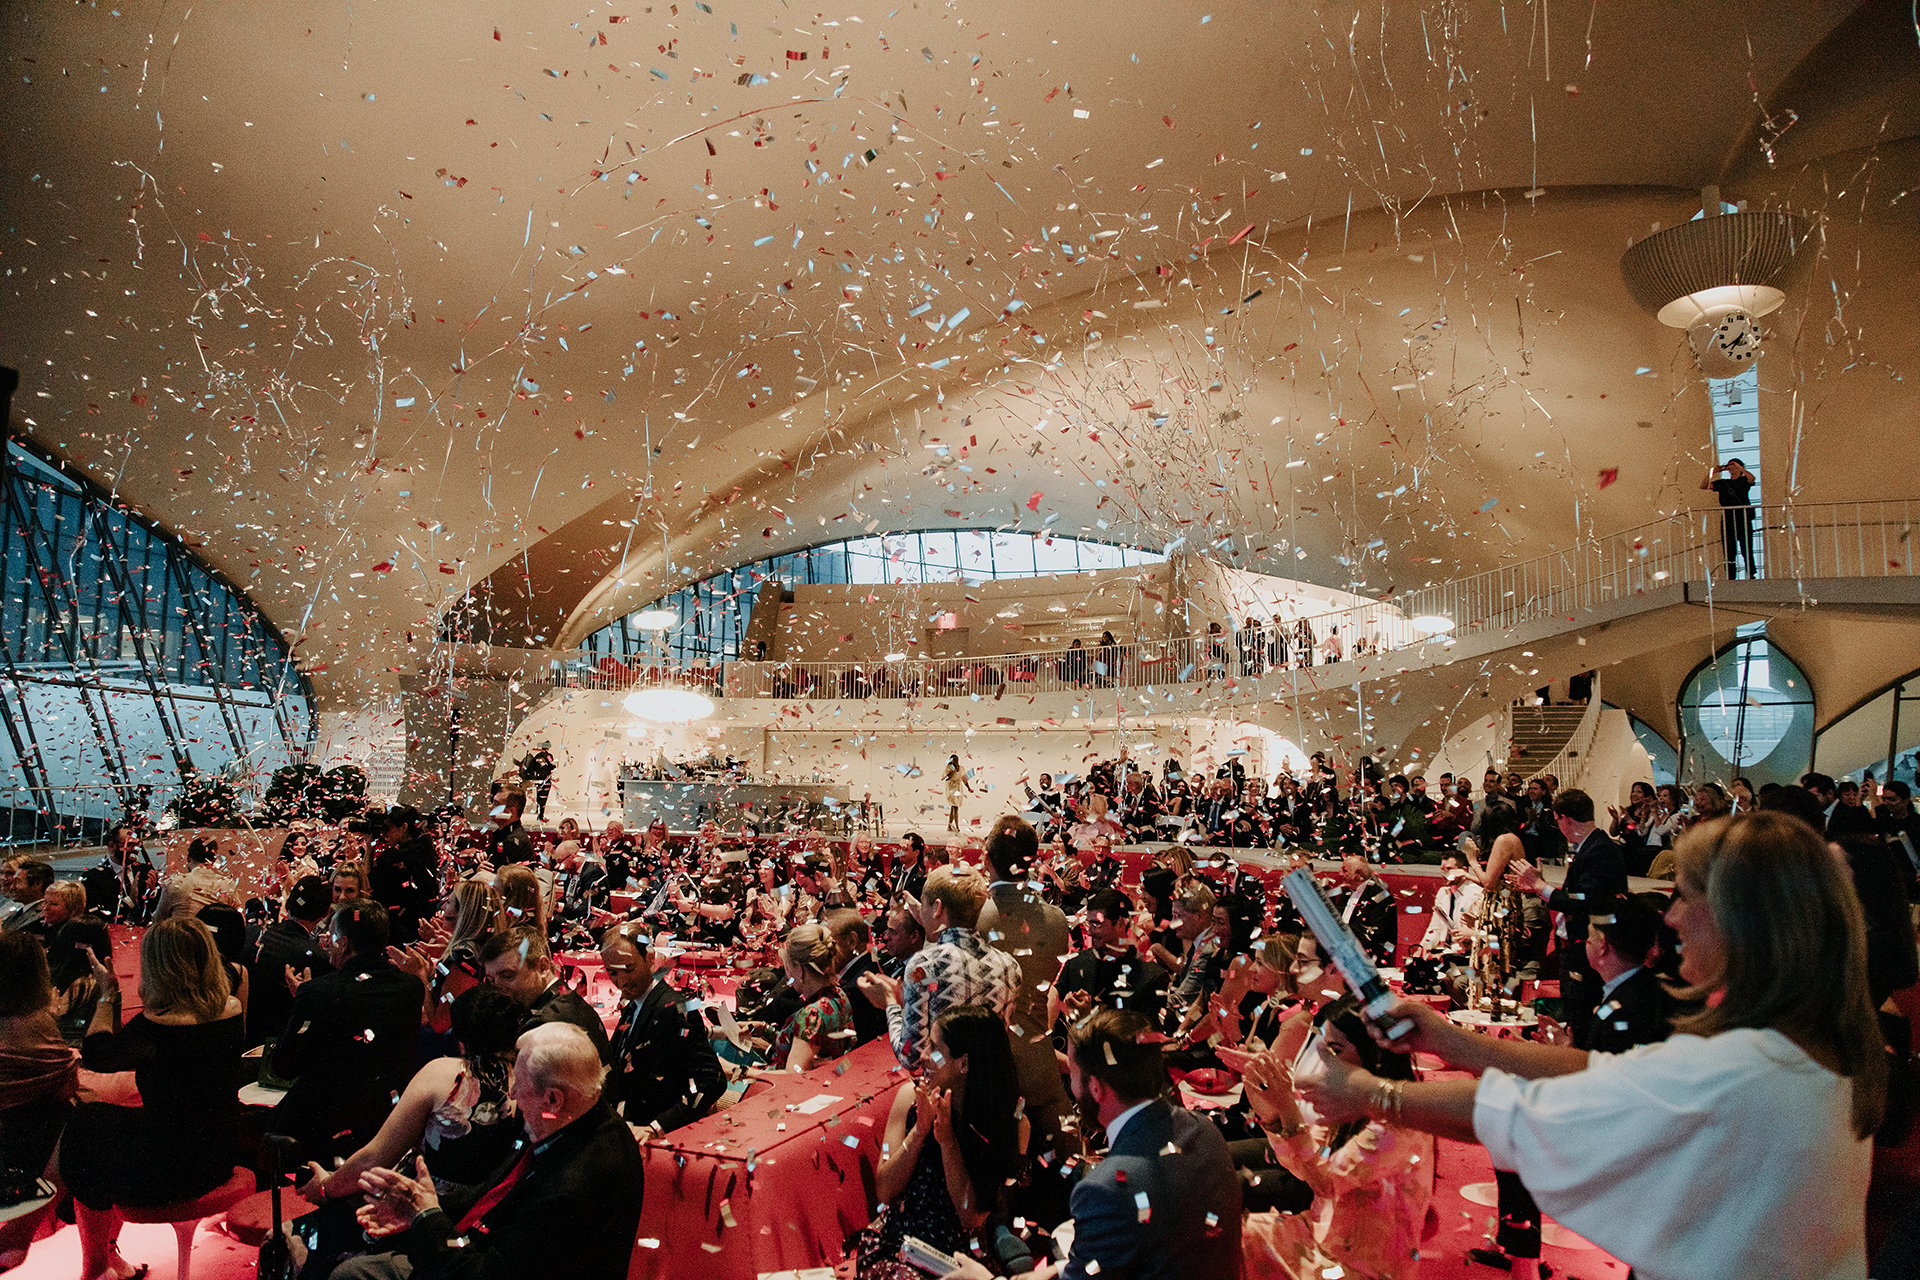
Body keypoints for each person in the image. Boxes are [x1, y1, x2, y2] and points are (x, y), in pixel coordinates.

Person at [1295, 811, 1887, 1280]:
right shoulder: (1803, 1043)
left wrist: (1371, 1094)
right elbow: (1602, 1068)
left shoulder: (1741, 1070)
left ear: (1737, 919)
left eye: (1683, 897)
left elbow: (1521, 1113)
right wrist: (1454, 1040)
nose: (1672, 919)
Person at [324, 1022, 644, 1280]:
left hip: (482, 1263)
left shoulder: (572, 1187)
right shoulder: (575, 1119)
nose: (514, 1093)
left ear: (553, 1099)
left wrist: (427, 1218)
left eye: (521, 1085)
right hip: (481, 1248)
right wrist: (418, 1210)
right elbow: (490, 1196)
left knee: (351, 1275)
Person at [943, 1008, 1242, 1280]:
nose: (1071, 1087)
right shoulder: (1204, 1129)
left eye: (1072, 1073)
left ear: (1096, 1088)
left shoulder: (1105, 1188)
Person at [293, 987, 525, 1280]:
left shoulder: (444, 1072)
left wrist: (326, 1187)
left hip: (419, 1217)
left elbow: (374, 1158)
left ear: (460, 1039)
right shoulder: (530, 1080)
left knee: (293, 1240)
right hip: (482, 1221)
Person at [60, 917, 245, 1280]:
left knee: (85, 1127)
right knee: (102, 1125)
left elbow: (98, 1053)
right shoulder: (231, 1010)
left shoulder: (156, 1027)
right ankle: (108, 1258)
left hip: (169, 1169)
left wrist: (108, 993)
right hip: (218, 1153)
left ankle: (94, 1265)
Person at [1234, 998, 1433, 1280]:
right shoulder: (1350, 1102)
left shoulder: (1398, 1121)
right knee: (1230, 1233)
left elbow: (1325, 1182)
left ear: (1374, 1053)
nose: (1326, 1062)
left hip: (1366, 1266)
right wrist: (1271, 1113)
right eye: (1325, 1050)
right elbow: (1302, 1167)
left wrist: (1288, 1109)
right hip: (1326, 1234)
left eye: (1336, 1051)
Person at [863, 1007, 1028, 1278]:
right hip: (897, 1248)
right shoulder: (909, 1098)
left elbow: (971, 1216)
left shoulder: (1013, 1125)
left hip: (963, 1258)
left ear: (963, 1063)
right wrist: (919, 1132)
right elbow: (884, 1190)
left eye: (934, 1048)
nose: (923, 1056)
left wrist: (947, 1141)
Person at [271, 898, 428, 1161]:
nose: (326, 943)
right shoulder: (411, 987)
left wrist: (305, 1002)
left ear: (343, 944)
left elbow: (283, 1067)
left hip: (324, 1127)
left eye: (331, 936)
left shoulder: (317, 993)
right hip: (390, 1119)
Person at [974, 816, 1077, 1168]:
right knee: (1068, 1171)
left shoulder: (974, 917)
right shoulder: (1057, 920)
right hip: (1038, 1060)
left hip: (988, 1070)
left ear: (986, 860)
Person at [862, 865, 1020, 1073]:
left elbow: (911, 1056)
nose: (919, 913)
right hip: (994, 1092)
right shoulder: (1010, 965)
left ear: (937, 908)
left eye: (923, 905)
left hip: (945, 1096)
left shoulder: (924, 966)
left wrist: (890, 1003)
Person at [1506, 789, 1628, 1044]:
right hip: (1576, 947)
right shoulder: (1591, 846)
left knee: (1581, 1016)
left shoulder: (1599, 850)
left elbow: (1585, 901)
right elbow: (1577, 896)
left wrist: (1540, 886)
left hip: (1586, 948)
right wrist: (1538, 888)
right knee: (1575, 1014)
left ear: (1564, 819)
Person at [0, 931, 78, 1270]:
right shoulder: (39, 1023)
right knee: (80, 1122)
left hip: (14, 1146)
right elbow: (65, 1088)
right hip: (28, 1153)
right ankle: (18, 1236)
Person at [601, 923, 725, 1134]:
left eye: (629, 970)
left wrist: (656, 1128)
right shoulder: (632, 1007)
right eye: (612, 973)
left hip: (663, 1139)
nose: (621, 982)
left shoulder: (675, 1008)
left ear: (649, 958)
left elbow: (712, 1080)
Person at [481, 926, 612, 1062]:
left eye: (508, 976)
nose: (498, 988)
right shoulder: (566, 998)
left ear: (543, 967)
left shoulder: (544, 1025)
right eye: (491, 980)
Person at [1055, 888, 1170, 1025]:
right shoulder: (1076, 963)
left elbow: (1135, 1039)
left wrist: (1086, 1017)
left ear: (1121, 923)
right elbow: (1055, 998)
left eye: (1097, 925)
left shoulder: (1151, 978)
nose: (1090, 932)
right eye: (1088, 923)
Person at [245, 873, 332, 1050]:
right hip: (280, 1046)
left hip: (243, 1035)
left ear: (289, 904)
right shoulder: (318, 958)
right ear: (324, 914)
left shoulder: (251, 934)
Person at [769, 922, 856, 1070]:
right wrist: (765, 1029)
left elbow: (793, 1076)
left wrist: (738, 1071)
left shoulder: (812, 1015)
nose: (788, 974)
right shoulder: (839, 994)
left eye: (788, 967)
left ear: (800, 970)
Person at [827, 908, 891, 1047]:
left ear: (851, 941)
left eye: (831, 943)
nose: (824, 951)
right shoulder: (867, 964)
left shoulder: (859, 986)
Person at [152, 837, 241, 920]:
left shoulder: (175, 883)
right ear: (214, 860)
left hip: (183, 936)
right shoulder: (228, 884)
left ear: (188, 858)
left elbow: (158, 920)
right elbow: (238, 919)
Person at [1701, 457, 1758, 579]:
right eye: (1729, 465)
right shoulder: (1723, 483)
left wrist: (1741, 468)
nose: (1731, 467)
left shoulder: (1743, 481)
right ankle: (1731, 576)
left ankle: (1751, 573)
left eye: (1733, 465)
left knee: (1746, 546)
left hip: (1743, 516)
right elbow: (1703, 486)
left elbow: (1752, 479)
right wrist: (1713, 472)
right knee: (1729, 549)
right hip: (1728, 518)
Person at [943, 755, 973, 834]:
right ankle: (956, 826)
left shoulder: (961, 768)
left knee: (955, 807)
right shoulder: (948, 767)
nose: (955, 761)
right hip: (951, 788)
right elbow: (945, 778)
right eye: (954, 760)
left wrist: (969, 788)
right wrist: (953, 770)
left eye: (956, 760)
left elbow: (964, 779)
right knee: (954, 806)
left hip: (958, 788)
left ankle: (950, 826)